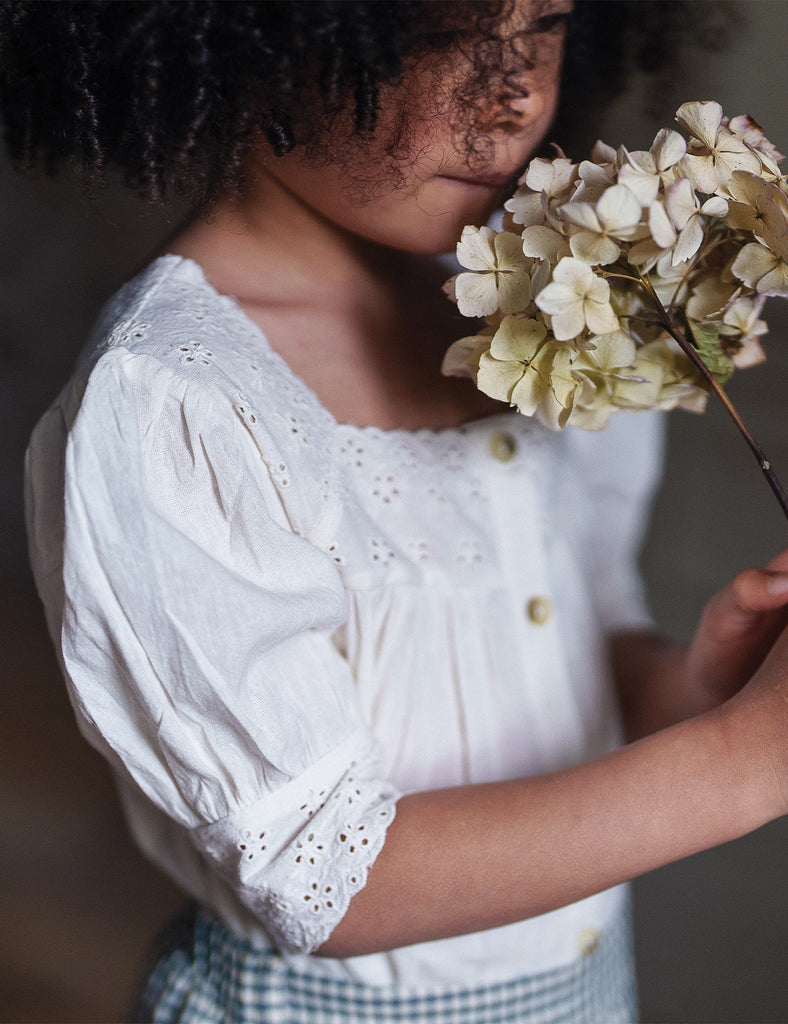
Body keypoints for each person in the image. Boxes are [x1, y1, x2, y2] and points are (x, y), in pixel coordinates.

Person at [4, 1, 788, 1021]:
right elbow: (325, 875)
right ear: (255, 35)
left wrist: (699, 688)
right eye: (436, 33)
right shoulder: (179, 401)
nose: (510, 96)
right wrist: (740, 764)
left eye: (540, 27)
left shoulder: (538, 315)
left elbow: (572, 656)